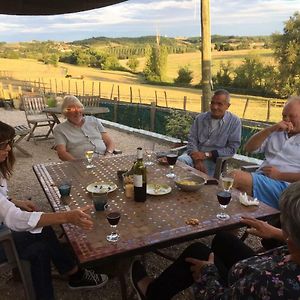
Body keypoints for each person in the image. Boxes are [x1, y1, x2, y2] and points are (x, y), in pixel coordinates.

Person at [130, 182, 300, 299]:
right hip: (262, 266)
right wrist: (277, 233)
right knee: (223, 239)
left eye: (283, 224)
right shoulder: (292, 246)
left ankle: (152, 293)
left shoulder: (271, 285)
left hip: (250, 281)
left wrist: (208, 273)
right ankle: (223, 269)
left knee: (198, 251)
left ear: (292, 238)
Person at [0, 121, 108, 300]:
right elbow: (14, 219)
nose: (10, 148)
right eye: (3, 145)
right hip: (3, 239)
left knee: (40, 247)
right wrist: (66, 217)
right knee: (42, 230)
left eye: (10, 142)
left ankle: (72, 274)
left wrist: (14, 201)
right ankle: (74, 273)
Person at [232, 96, 300, 209]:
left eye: (292, 116)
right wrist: (270, 129)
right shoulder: (276, 131)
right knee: (234, 193)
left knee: (234, 177)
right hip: (261, 178)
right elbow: (249, 148)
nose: (286, 120)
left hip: (288, 188)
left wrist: (280, 175)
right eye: (284, 116)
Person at [177, 89, 241, 176]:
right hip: (194, 155)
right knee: (180, 162)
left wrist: (207, 154)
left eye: (219, 104)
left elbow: (232, 148)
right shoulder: (200, 118)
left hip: (214, 160)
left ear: (227, 106)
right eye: (213, 103)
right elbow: (192, 140)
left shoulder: (234, 122)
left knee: (201, 178)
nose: (215, 107)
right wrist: (197, 160)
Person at [53, 95, 115, 161]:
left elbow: (109, 142)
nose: (77, 112)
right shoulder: (60, 129)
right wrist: (78, 165)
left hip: (104, 159)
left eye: (79, 108)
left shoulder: (94, 121)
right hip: (80, 163)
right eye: (72, 109)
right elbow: (62, 153)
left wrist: (108, 154)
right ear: (65, 112)